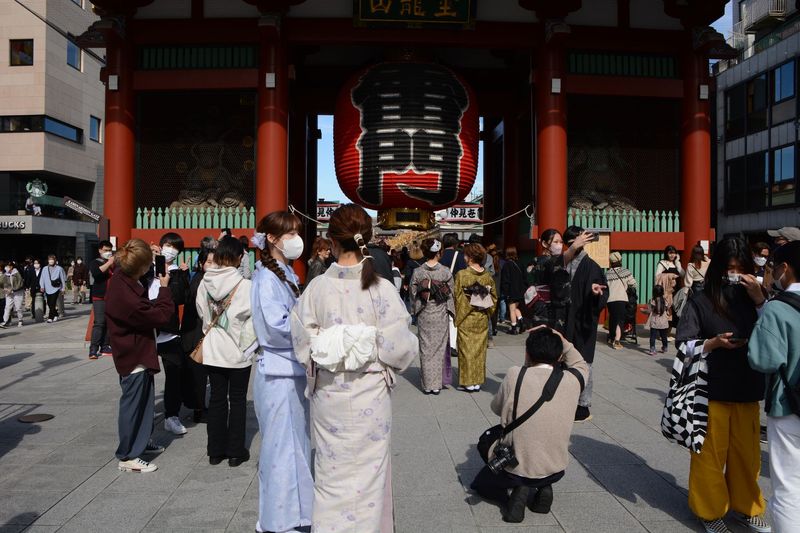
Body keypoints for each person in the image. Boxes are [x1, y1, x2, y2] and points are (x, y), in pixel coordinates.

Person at [290, 203, 418, 533]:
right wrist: (366, 342)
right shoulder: (381, 288)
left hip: (330, 395)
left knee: (331, 471)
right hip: (370, 395)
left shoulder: (317, 288)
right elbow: (401, 349)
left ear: (332, 241)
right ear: (368, 238)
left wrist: (332, 342)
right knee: (370, 472)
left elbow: (302, 342)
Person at [676, 237, 770, 533]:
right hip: (710, 389)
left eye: (740, 268)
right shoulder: (701, 298)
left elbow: (772, 332)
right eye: (729, 268)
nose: (735, 273)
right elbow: (683, 344)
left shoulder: (756, 296)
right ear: (718, 268)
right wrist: (711, 343)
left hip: (747, 386)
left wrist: (760, 301)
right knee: (709, 455)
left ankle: (746, 506)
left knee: (747, 456)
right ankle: (709, 510)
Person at [471, 327, 588, 523]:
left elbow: (496, 408)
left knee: (486, 444)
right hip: (555, 467)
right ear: (560, 356)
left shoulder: (515, 374)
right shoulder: (574, 379)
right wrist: (562, 339)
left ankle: (517, 493)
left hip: (516, 467)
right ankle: (543, 488)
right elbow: (580, 362)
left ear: (527, 353)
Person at [250, 212, 313, 533]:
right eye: (288, 233)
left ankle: (298, 513)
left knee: (296, 446)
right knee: (280, 449)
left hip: (291, 371)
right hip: (277, 373)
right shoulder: (264, 279)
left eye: (296, 232)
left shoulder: (285, 273)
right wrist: (311, 329)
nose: (295, 239)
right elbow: (275, 328)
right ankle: (277, 520)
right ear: (272, 239)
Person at [105, 239, 173, 473]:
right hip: (132, 354)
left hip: (138, 351)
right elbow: (159, 316)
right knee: (133, 405)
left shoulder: (124, 280)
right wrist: (164, 289)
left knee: (144, 403)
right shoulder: (125, 293)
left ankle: (140, 442)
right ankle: (128, 455)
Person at [748, 241, 800, 533]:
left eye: (772, 268)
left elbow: (762, 359)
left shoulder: (778, 308)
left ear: (784, 268)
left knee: (789, 487)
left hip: (788, 405)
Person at [196, 236, 256, 467]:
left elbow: (202, 312)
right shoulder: (246, 285)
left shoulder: (205, 282)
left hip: (213, 348)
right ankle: (235, 451)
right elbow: (253, 319)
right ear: (239, 258)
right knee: (238, 400)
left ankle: (215, 451)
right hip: (238, 350)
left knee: (218, 399)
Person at [562, 226, 608, 422]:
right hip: (563, 320)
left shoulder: (592, 266)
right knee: (561, 360)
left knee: (584, 363)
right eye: (572, 241)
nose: (576, 243)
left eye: (579, 239)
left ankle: (583, 405)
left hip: (583, 320)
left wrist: (597, 293)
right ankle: (564, 400)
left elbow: (603, 290)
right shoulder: (563, 263)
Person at [150, 233, 191, 436]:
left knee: (174, 373)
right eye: (167, 245)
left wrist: (182, 275)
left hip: (169, 331)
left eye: (174, 247)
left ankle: (171, 415)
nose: (170, 249)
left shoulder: (177, 272)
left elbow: (180, 297)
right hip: (147, 330)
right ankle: (145, 415)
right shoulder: (147, 267)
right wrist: (150, 260)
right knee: (144, 376)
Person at [410, 238, 455, 395]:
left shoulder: (418, 272)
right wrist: (452, 311)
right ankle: (436, 385)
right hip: (440, 312)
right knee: (438, 348)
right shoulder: (445, 271)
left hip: (424, 312)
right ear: (439, 253)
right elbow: (451, 293)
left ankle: (428, 384)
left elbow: (413, 293)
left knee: (425, 348)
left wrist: (416, 308)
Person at [454, 243, 498, 392]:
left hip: (466, 318)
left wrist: (460, 313)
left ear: (471, 257)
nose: (464, 257)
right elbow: (494, 298)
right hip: (481, 318)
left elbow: (458, 297)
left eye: (466, 255)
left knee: (466, 351)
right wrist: (484, 306)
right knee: (479, 350)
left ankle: (467, 382)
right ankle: (477, 381)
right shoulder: (487, 276)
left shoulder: (462, 275)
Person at [180, 247, 213, 424]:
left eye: (215, 262)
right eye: (209, 262)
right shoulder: (200, 280)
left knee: (199, 373)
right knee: (199, 373)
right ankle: (199, 409)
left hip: (197, 332)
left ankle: (198, 407)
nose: (212, 265)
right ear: (201, 263)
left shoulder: (204, 279)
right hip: (196, 333)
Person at [605, 251, 637, 349]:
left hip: (610, 300)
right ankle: (617, 341)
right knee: (620, 320)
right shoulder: (625, 272)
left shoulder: (607, 273)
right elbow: (634, 284)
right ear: (620, 260)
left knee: (613, 318)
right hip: (621, 299)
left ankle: (611, 337)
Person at [89, 241, 115, 359]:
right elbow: (97, 273)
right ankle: (93, 349)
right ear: (100, 250)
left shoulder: (114, 263)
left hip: (111, 297)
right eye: (105, 250)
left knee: (109, 322)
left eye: (110, 250)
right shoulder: (95, 262)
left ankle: (105, 346)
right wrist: (109, 263)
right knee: (99, 322)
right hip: (99, 297)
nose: (108, 252)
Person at [501, 246, 527, 335]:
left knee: (511, 309)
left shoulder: (507, 265)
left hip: (511, 291)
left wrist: (505, 291)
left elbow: (505, 280)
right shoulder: (521, 263)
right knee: (515, 308)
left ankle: (514, 328)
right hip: (520, 290)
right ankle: (522, 322)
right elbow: (525, 277)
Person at [40, 255, 66, 323]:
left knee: (53, 303)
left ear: (55, 260)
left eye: (52, 259)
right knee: (49, 303)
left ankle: (50, 317)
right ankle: (56, 314)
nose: (51, 261)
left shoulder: (59, 268)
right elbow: (42, 278)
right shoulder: (44, 268)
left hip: (56, 288)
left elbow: (62, 278)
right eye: (49, 259)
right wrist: (42, 286)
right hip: (47, 288)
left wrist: (63, 288)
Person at [645, 285, 669, 355]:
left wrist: (643, 311)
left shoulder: (652, 300)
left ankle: (652, 349)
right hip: (663, 321)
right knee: (664, 336)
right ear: (662, 292)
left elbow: (649, 311)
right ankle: (665, 347)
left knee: (652, 336)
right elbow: (667, 308)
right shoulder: (664, 300)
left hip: (654, 321)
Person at [1, 261, 24, 328]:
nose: (7, 267)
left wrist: (13, 289)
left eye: (8, 266)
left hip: (17, 292)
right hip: (9, 293)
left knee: (18, 307)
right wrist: (5, 289)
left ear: (11, 267)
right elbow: (1, 282)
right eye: (6, 266)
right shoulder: (6, 274)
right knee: (7, 307)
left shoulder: (16, 273)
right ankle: (5, 321)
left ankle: (20, 320)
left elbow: (20, 283)